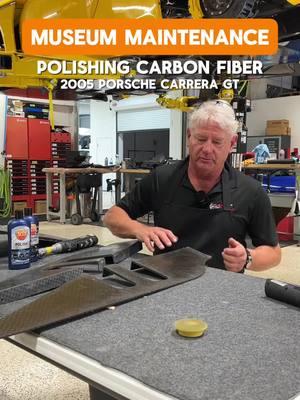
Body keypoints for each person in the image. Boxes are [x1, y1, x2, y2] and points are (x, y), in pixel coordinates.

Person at [103, 100, 281, 272]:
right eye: (201, 139)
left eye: (217, 142)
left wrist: (247, 258)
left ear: (232, 144)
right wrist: (140, 229)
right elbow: (113, 217)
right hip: (163, 285)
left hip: (221, 292)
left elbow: (273, 252)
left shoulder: (250, 191)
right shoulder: (162, 179)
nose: (207, 149)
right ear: (189, 136)